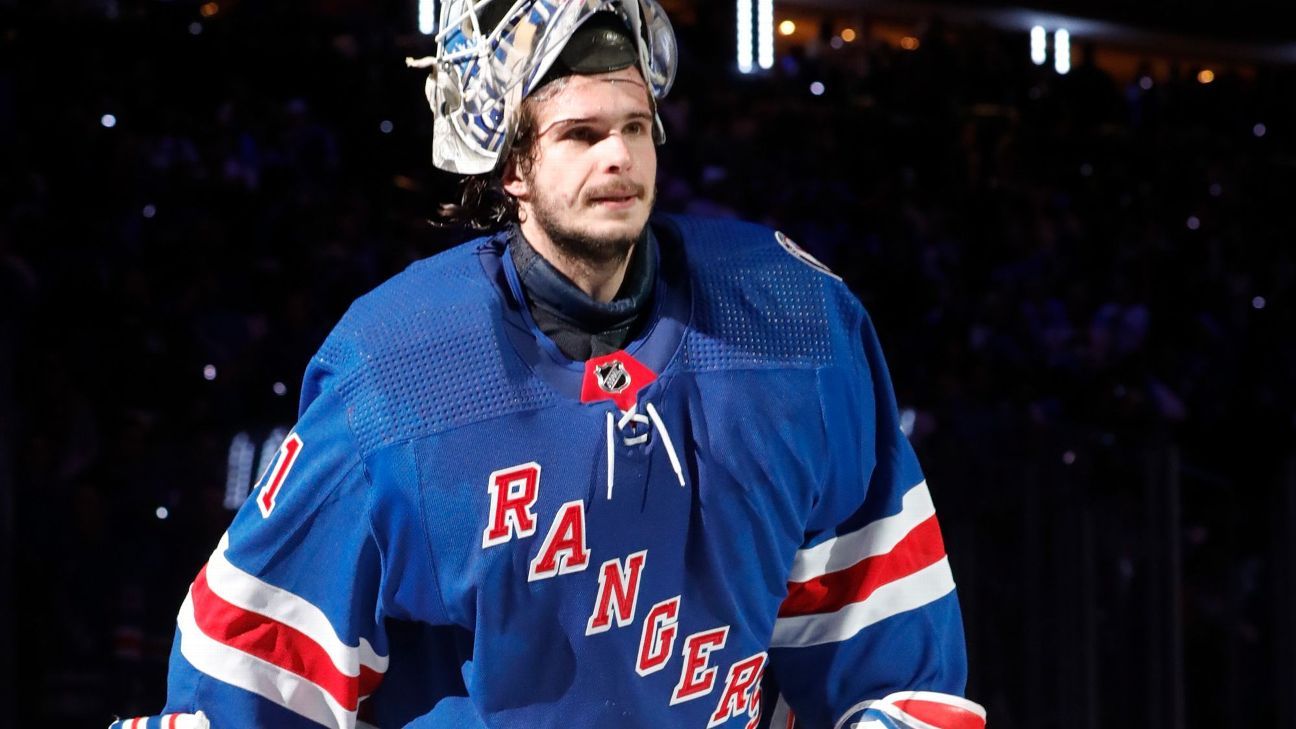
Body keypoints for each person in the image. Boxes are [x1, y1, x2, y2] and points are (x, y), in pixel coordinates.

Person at [111, 2, 985, 727]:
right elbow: (243, 683)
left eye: (636, 126)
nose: (619, 157)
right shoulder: (398, 373)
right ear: (511, 166)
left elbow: (896, 671)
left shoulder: (797, 325)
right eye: (580, 133)